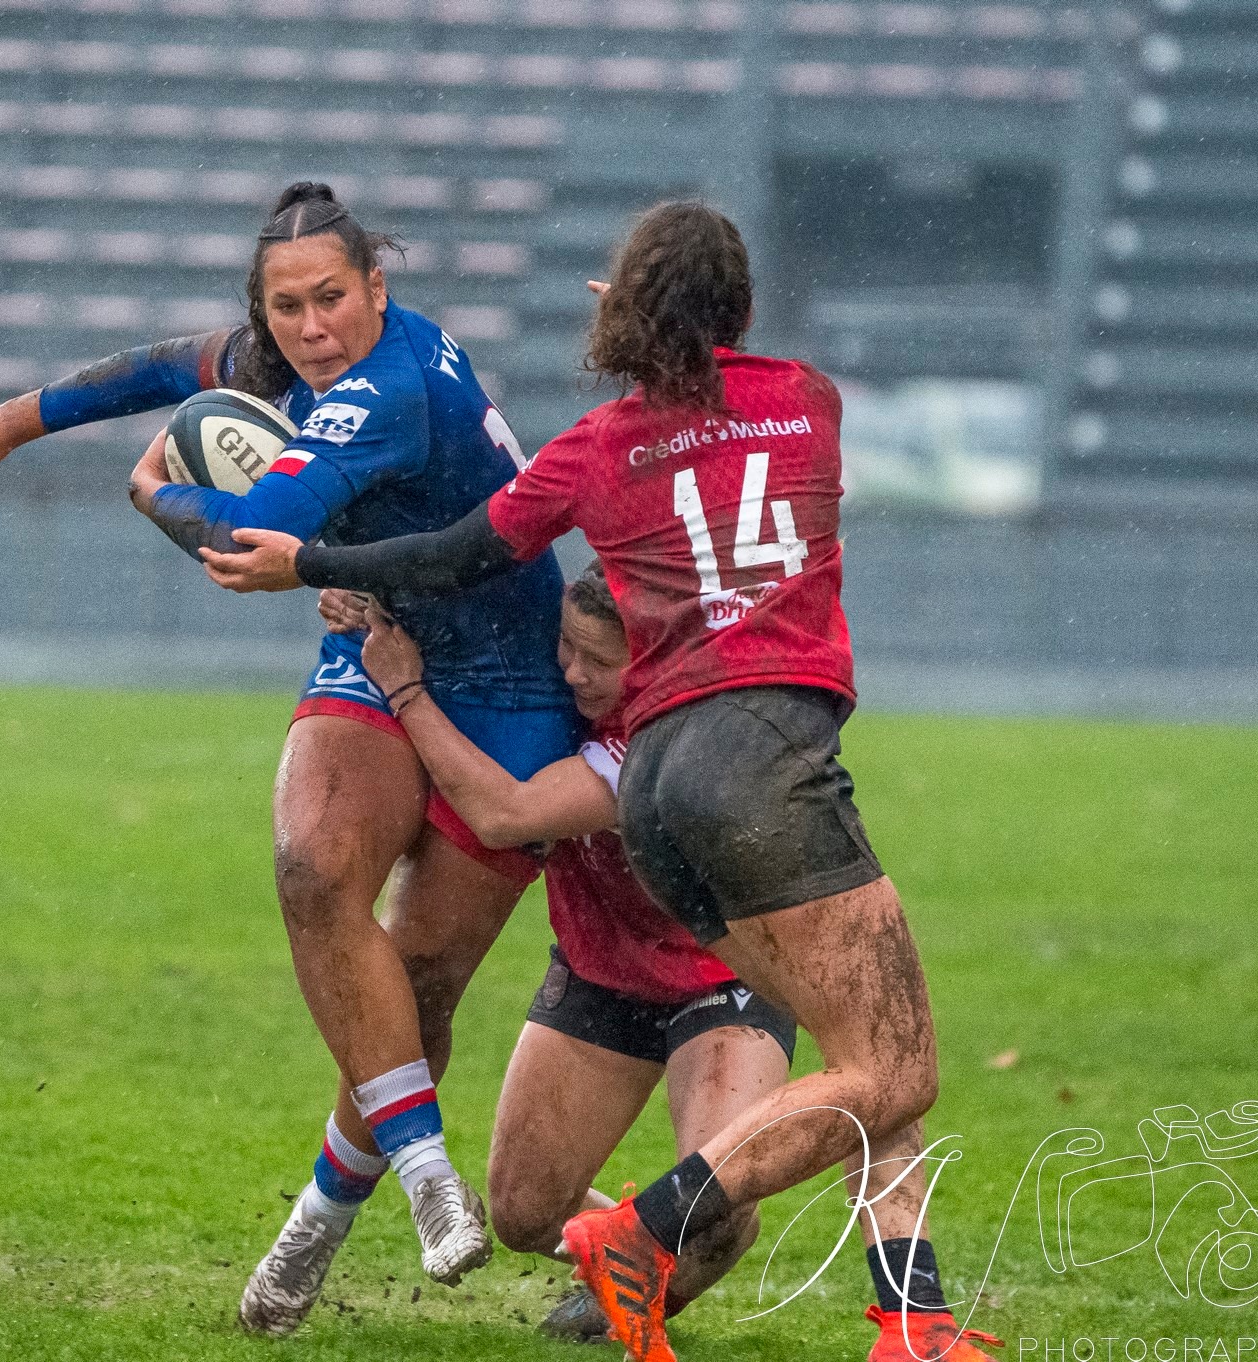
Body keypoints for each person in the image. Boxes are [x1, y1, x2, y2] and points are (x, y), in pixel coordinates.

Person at [198, 200, 998, 1362]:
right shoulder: (809, 400)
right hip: (763, 756)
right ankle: (694, 1248)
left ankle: (909, 1322)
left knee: (862, 1048)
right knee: (892, 1058)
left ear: (625, 314)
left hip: (659, 777)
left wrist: (311, 561)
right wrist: (671, 320)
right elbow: (732, 399)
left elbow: (453, 553)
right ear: (740, 312)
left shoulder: (600, 447)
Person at [0, 183, 581, 1334]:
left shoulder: (390, 389)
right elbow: (166, 366)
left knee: (419, 987)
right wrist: (7, 424)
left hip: (512, 687)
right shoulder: (286, 353)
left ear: (379, 287)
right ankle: (426, 1178)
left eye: (333, 299)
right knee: (314, 870)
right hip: (380, 640)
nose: (313, 328)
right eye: (288, 308)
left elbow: (263, 541)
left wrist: (155, 494)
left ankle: (312, 1223)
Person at [341, 574, 1002, 1357]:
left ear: (649, 660)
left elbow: (505, 814)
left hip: (720, 980)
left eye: (598, 660)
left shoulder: (664, 740)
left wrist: (407, 691)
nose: (574, 672)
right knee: (521, 1214)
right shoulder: (559, 688)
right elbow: (476, 623)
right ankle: (627, 1245)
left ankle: (680, 1263)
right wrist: (377, 601)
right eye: (566, 648)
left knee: (735, 1194)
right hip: (599, 972)